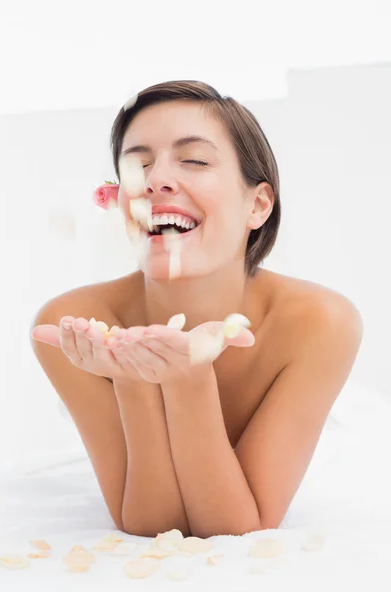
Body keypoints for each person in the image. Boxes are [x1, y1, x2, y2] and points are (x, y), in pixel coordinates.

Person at [30, 80, 363, 539]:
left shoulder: (320, 324)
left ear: (258, 204)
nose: (154, 179)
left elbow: (240, 528)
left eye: (195, 160)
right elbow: (148, 526)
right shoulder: (71, 325)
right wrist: (133, 379)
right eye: (138, 164)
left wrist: (188, 379)